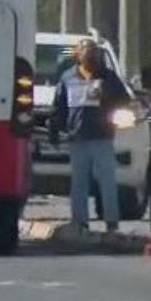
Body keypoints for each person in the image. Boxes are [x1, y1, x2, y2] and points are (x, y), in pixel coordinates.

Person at [49, 39, 130, 235]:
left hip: (102, 137)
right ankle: (80, 221)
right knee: (79, 183)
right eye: (85, 51)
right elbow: (59, 106)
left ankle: (111, 222)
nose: (90, 55)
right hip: (78, 138)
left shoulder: (108, 77)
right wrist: (54, 129)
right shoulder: (68, 78)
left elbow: (124, 100)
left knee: (107, 181)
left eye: (93, 52)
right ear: (78, 55)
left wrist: (107, 96)